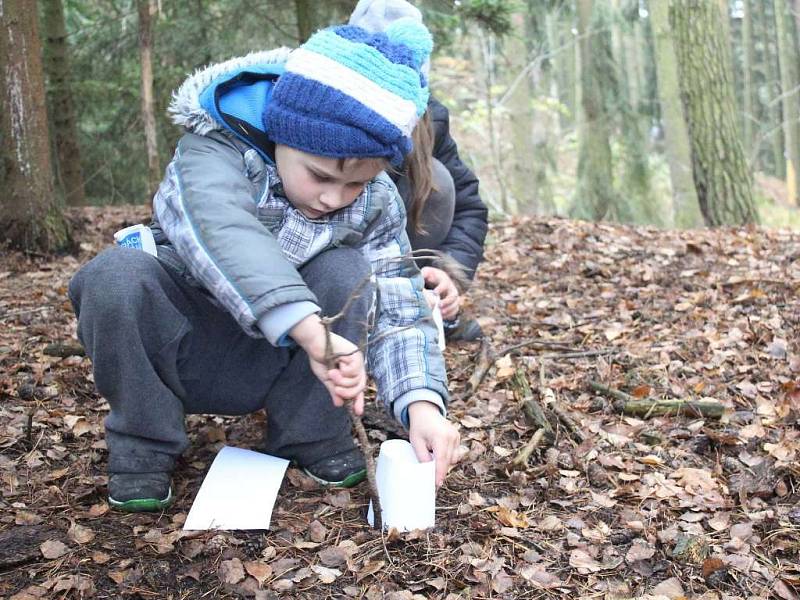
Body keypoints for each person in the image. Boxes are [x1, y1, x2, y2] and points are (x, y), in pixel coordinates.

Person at [68, 20, 460, 512]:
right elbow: (223, 232)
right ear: (282, 133)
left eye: (355, 185)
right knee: (113, 278)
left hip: (275, 364)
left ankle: (312, 435)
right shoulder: (212, 151)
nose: (332, 198)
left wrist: (421, 405)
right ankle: (143, 445)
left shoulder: (376, 201)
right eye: (320, 174)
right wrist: (311, 332)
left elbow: (399, 303)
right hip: (184, 345)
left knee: (346, 270)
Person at [350, 0, 489, 342]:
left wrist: (446, 274)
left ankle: (420, 299)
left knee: (438, 178)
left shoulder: (430, 120)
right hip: (341, 264)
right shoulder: (322, 114)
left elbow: (470, 206)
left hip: (402, 254)